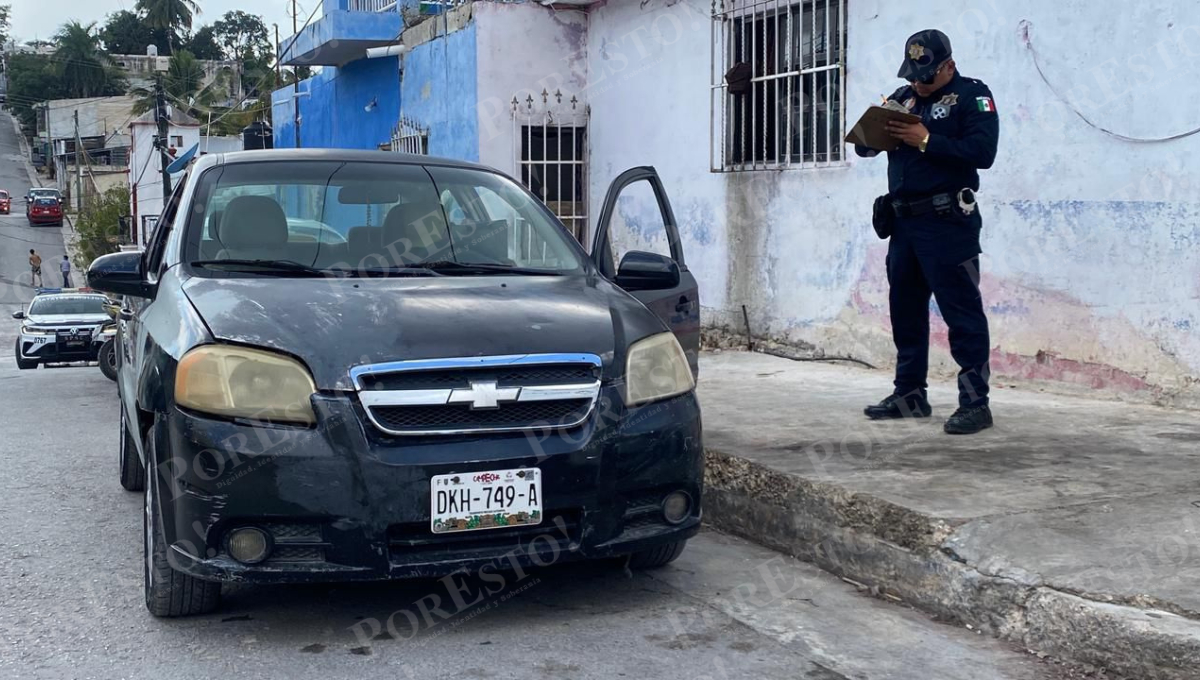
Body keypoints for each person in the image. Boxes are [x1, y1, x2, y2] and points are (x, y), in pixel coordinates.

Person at [854, 29, 1000, 435]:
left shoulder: (973, 96)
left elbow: (982, 154)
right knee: (905, 310)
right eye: (913, 74)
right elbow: (862, 148)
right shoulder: (903, 98)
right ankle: (909, 394)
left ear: (948, 65)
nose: (918, 82)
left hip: (948, 222)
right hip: (903, 223)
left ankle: (975, 403)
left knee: (961, 311)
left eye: (927, 75)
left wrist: (927, 140)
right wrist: (874, 130)